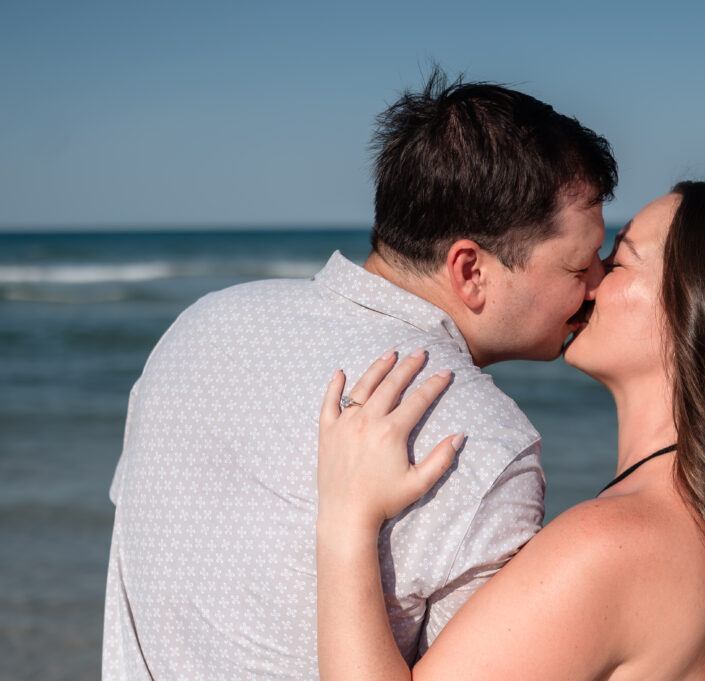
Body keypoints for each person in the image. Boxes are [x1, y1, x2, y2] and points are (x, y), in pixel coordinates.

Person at [101, 71, 616, 679]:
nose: (598, 285)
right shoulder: (478, 442)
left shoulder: (200, 326)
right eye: (580, 266)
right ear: (470, 270)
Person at [316, 181, 705, 681]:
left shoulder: (614, 544)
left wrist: (347, 517)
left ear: (697, 312)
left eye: (619, 259)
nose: (588, 275)